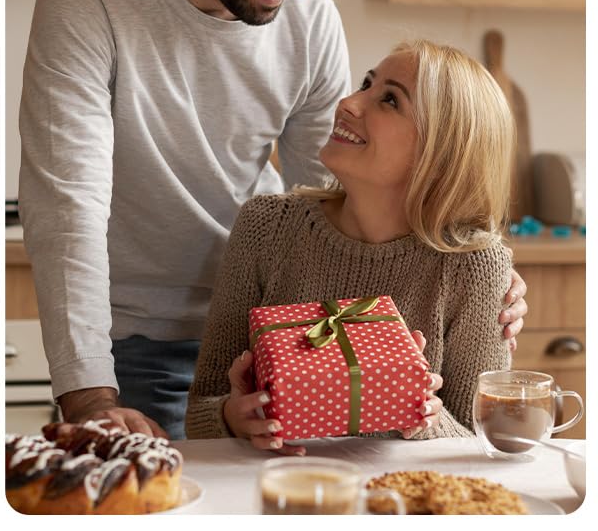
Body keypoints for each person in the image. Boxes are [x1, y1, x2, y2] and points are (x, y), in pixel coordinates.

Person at [18, 0, 527, 442]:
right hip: (131, 344)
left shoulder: (309, 19)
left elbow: (348, 196)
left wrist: (475, 270)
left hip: (284, 337)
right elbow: (69, 199)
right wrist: (90, 393)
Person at [186, 42, 514, 445]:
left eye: (389, 100)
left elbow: (485, 448)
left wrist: (425, 418)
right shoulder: (265, 226)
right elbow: (201, 408)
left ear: (440, 152)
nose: (349, 103)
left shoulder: (476, 267)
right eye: (366, 84)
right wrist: (232, 418)